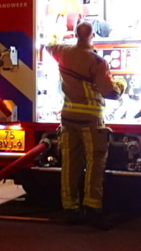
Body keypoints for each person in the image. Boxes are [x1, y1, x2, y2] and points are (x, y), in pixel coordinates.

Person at [45, 22, 126, 228]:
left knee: (70, 164)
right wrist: (121, 85)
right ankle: (91, 208)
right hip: (91, 120)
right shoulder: (97, 61)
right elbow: (109, 92)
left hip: (68, 119)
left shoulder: (63, 52)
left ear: (74, 34)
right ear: (93, 36)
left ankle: (70, 209)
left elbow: (49, 45)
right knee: (94, 164)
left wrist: (56, 31)